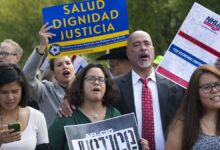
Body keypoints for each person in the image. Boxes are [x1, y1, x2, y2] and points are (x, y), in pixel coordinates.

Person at [58, 30, 185, 150]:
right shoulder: (112, 86)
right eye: (136, 45)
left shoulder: (175, 86)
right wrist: (70, 102)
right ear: (128, 54)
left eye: (147, 44)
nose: (143, 48)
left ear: (152, 50)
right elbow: (90, 102)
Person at [48, 63, 149, 150]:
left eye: (101, 79)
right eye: (91, 79)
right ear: (81, 84)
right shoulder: (67, 116)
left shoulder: (115, 114)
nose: (96, 82)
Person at [23, 23, 76, 126]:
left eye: (68, 63)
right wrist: (42, 46)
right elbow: (27, 77)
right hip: (56, 141)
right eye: (59, 65)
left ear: (74, 69)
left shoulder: (85, 89)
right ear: (53, 73)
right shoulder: (45, 91)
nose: (65, 66)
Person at [165, 65, 220, 150]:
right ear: (196, 94)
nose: (215, 90)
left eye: (218, 84)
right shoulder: (183, 123)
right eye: (207, 87)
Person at [0, 63, 49, 149]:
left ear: (22, 90)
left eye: (15, 91)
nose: (10, 97)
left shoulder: (36, 116)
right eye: (4, 92)